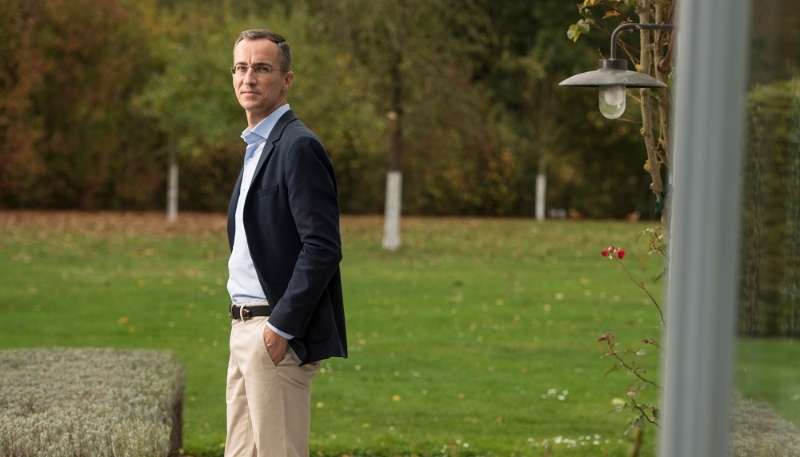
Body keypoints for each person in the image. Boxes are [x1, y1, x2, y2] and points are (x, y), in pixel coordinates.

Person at [224, 29, 347, 457]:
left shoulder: (297, 146)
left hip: (272, 335)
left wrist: (280, 330)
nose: (248, 78)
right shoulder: (257, 147)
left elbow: (323, 247)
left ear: (287, 79)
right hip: (243, 331)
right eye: (241, 68)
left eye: (262, 68)